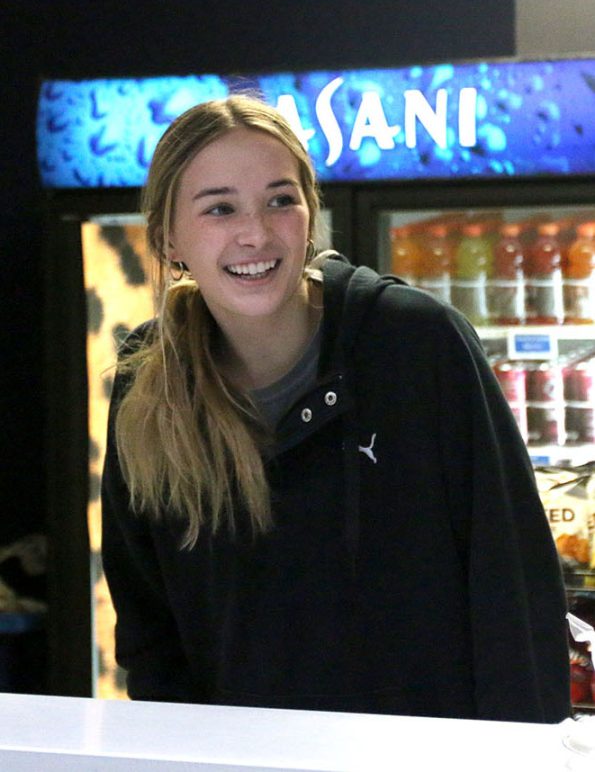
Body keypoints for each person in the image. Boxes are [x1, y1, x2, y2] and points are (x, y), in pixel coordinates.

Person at [101, 94, 570, 723]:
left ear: (310, 212)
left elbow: (515, 591)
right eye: (220, 208)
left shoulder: (415, 344)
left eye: (280, 199)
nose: (256, 233)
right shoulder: (149, 378)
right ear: (167, 237)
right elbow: (149, 629)